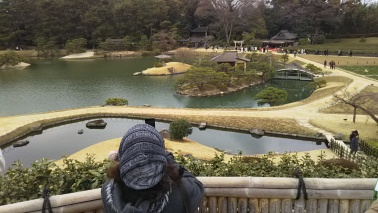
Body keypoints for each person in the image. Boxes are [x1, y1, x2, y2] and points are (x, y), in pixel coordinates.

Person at [101, 124, 204, 213]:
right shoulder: (179, 193)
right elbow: (197, 185)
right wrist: (167, 158)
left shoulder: (107, 192)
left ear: (122, 156)